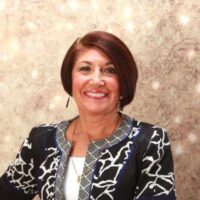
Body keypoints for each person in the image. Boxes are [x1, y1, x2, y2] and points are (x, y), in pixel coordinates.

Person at [0, 31, 176, 200]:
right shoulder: (41, 140)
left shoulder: (149, 141)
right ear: (70, 79)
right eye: (85, 69)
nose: (96, 80)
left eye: (110, 70)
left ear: (124, 81)